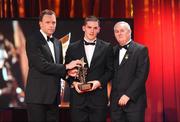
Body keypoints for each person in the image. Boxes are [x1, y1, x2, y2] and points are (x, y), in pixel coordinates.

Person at [25, 9, 81, 122]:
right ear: (40, 23)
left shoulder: (57, 43)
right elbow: (42, 65)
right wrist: (66, 67)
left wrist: (69, 75)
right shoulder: (32, 40)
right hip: (37, 97)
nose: (51, 25)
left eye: (53, 22)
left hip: (54, 98)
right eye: (48, 22)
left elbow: (57, 67)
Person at [65, 16, 114, 122]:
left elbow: (110, 71)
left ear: (99, 29)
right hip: (78, 100)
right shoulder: (72, 47)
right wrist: (74, 84)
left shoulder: (107, 47)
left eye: (95, 28)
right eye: (89, 27)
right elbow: (66, 72)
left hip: (98, 100)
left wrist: (99, 82)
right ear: (84, 28)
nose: (92, 31)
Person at [110, 21, 150, 122]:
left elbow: (141, 76)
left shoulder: (141, 50)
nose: (119, 33)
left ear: (129, 32)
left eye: (122, 31)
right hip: (116, 105)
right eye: (116, 31)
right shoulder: (112, 51)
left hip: (134, 103)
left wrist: (128, 95)